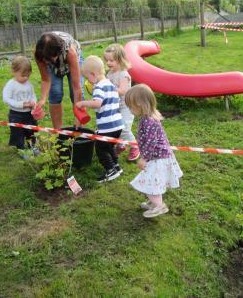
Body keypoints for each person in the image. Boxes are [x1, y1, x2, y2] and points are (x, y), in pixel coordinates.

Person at [124, 84, 183, 218]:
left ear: (139, 104)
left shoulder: (149, 121)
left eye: (130, 106)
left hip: (158, 158)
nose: (129, 109)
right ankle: (154, 202)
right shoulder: (147, 118)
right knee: (152, 180)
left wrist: (144, 158)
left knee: (151, 182)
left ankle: (159, 206)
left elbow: (152, 143)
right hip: (156, 156)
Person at [76, 56, 124, 183]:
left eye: (87, 78)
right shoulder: (111, 84)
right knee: (110, 147)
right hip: (118, 124)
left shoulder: (99, 87)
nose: (88, 81)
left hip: (107, 126)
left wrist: (83, 103)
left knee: (101, 149)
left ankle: (110, 170)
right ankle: (116, 167)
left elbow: (97, 104)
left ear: (93, 74)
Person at [34, 31, 83, 129]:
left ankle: (78, 129)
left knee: (75, 95)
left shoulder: (70, 52)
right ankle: (58, 132)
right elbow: (45, 80)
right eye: (45, 59)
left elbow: (77, 87)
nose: (46, 62)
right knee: (55, 93)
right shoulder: (40, 53)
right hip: (55, 62)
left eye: (48, 59)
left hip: (72, 61)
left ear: (58, 52)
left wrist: (78, 110)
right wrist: (43, 99)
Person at [104, 43, 140, 162]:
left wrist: (109, 89)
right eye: (107, 60)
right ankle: (121, 145)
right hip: (114, 106)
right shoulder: (109, 74)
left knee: (124, 128)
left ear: (120, 60)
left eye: (111, 60)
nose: (108, 63)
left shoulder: (124, 74)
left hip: (126, 107)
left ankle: (135, 146)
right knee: (115, 127)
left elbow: (122, 91)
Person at [2, 55, 38, 157]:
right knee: (18, 133)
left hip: (29, 114)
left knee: (32, 130)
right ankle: (21, 150)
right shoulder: (11, 85)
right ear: (14, 72)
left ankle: (33, 146)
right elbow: (6, 99)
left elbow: (33, 95)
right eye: (23, 75)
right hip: (16, 115)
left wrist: (34, 102)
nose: (26, 78)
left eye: (28, 75)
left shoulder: (29, 84)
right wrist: (22, 104)